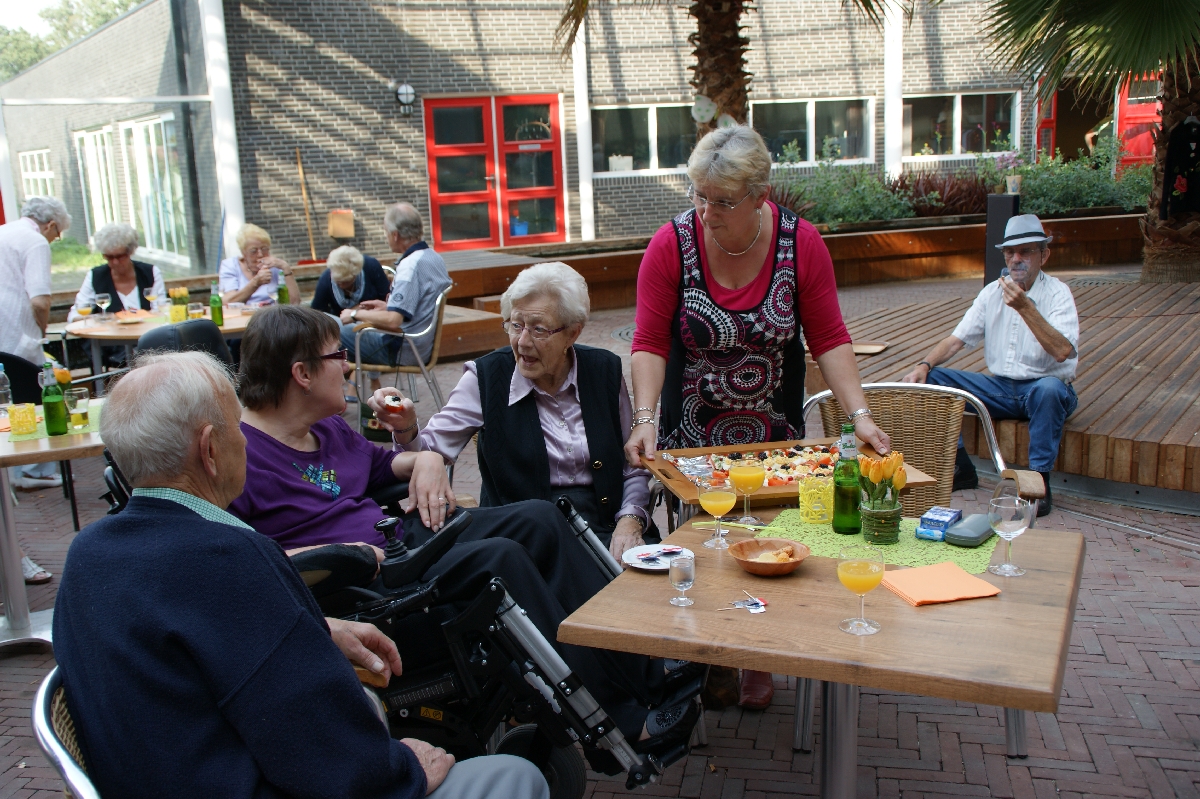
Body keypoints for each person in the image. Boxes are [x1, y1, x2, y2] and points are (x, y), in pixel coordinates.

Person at [53, 350, 549, 799]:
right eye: (236, 427)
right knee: (515, 776)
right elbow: (328, 756)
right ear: (209, 450)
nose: (245, 441)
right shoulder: (232, 558)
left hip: (159, 774)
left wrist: (317, 627)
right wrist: (406, 768)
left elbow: (194, 647)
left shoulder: (87, 555)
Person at [228, 305, 692, 745]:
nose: (348, 366)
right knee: (502, 558)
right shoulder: (240, 460)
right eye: (338, 355)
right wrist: (339, 555)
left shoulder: (325, 429)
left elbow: (387, 466)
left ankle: (645, 667)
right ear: (303, 374)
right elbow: (230, 560)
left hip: (405, 542)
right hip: (365, 582)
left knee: (541, 517)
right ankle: (617, 716)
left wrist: (428, 457)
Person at [625, 126, 891, 711]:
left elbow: (829, 337)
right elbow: (648, 341)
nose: (707, 212)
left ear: (760, 196)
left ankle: (759, 652)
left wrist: (861, 416)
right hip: (695, 435)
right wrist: (644, 416)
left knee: (770, 547)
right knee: (709, 544)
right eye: (699, 196)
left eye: (722, 201)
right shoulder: (672, 244)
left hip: (774, 434)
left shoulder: (801, 243)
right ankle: (714, 650)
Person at [373, 262, 652, 564]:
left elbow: (632, 465)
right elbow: (428, 453)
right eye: (516, 325)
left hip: (607, 525)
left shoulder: (603, 370)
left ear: (573, 333)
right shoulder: (485, 378)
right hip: (523, 538)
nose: (523, 342)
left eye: (539, 329)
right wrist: (406, 428)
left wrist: (630, 519)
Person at [902, 214, 1078, 517]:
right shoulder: (992, 292)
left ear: (1044, 255)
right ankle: (961, 467)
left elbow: (1062, 351)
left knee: (1048, 390)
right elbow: (956, 340)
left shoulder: (1058, 293)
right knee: (933, 379)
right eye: (1010, 252)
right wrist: (924, 364)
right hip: (1002, 389)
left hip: (1047, 388)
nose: (1016, 259)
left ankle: (1039, 482)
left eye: (1025, 251)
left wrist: (1025, 308)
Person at [0, 195, 70, 583]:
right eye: (58, 235)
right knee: (32, 403)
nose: (55, 241)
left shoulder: (4, 232)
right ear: (51, 225)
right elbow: (40, 300)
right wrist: (41, 334)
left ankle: (17, 474)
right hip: (16, 341)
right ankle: (28, 468)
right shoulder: (35, 241)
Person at [338, 203, 451, 391]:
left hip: (401, 348)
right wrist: (386, 307)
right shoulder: (433, 257)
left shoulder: (410, 266)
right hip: (420, 345)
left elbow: (393, 321)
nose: (386, 237)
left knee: (327, 328)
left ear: (395, 234)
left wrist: (355, 314)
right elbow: (418, 306)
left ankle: (327, 397)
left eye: (386, 232)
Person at [67, 222, 166, 321]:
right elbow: (75, 314)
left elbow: (160, 310)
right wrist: (97, 318)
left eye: (120, 256)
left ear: (130, 252)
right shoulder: (95, 276)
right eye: (109, 257)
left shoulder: (150, 273)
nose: (115, 262)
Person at [217, 223, 301, 306]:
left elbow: (294, 303)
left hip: (272, 313)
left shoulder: (275, 266)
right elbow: (228, 302)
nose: (260, 254)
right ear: (243, 253)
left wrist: (286, 268)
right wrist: (255, 283)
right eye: (254, 251)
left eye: (264, 249)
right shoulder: (231, 266)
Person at [310, 244, 392, 315]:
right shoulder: (325, 280)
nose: (341, 285)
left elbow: (388, 299)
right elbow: (316, 313)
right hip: (341, 323)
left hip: (375, 318)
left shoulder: (371, 266)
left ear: (355, 274)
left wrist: (357, 311)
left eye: (346, 282)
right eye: (338, 282)